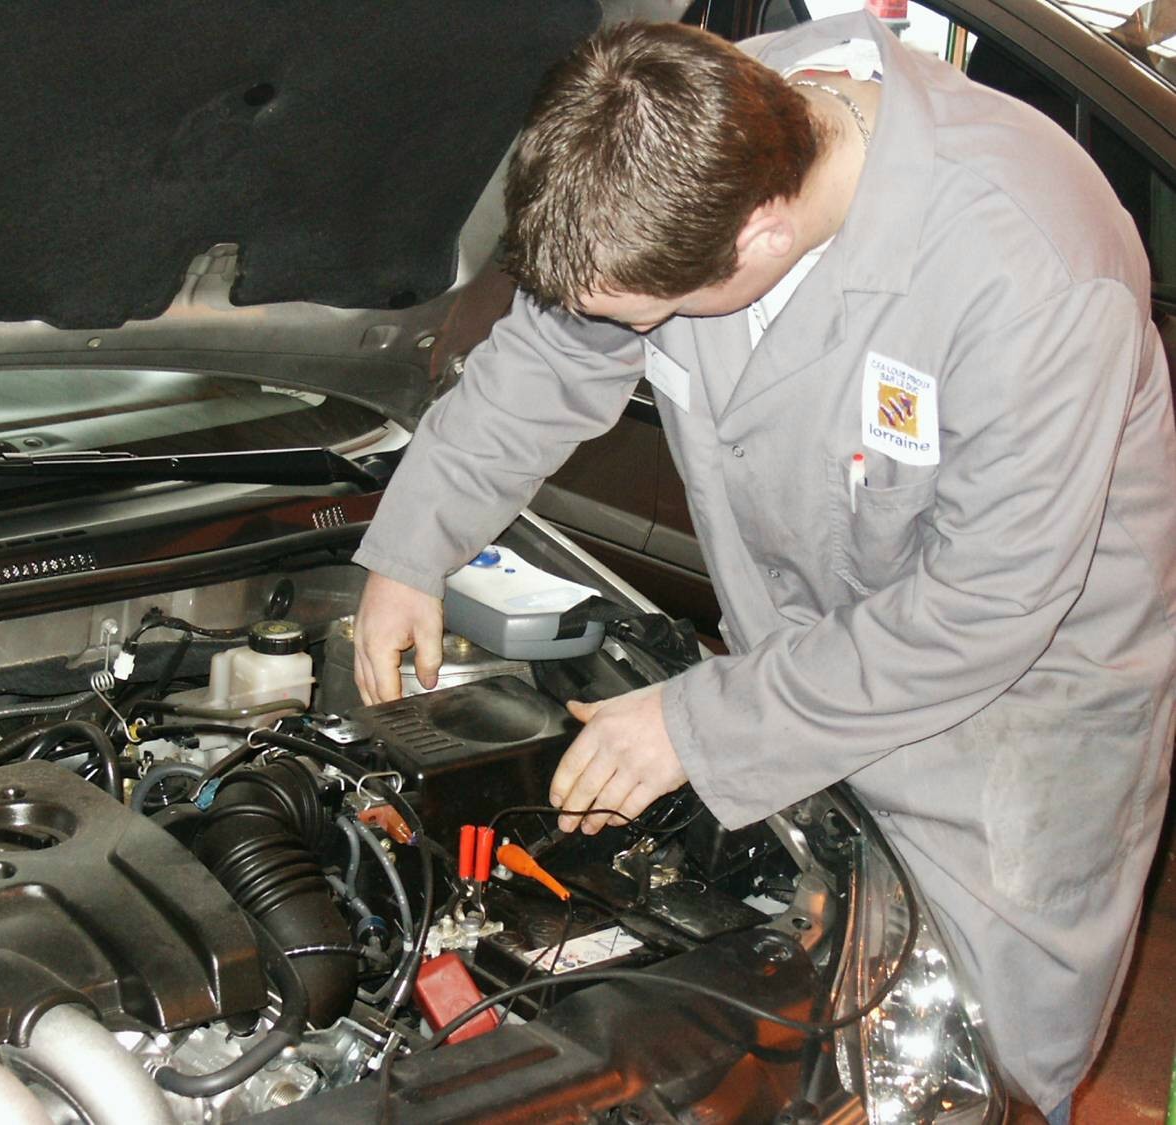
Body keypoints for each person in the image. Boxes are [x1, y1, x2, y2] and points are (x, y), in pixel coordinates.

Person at [350, 10, 1176, 1122]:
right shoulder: (692, 128)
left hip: (1012, 724)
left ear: (761, 243)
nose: (614, 329)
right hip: (798, 670)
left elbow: (987, 604)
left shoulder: (1027, 268)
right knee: (792, 1015)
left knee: (959, 1063)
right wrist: (413, 549)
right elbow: (549, 357)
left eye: (642, 317)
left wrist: (697, 725)